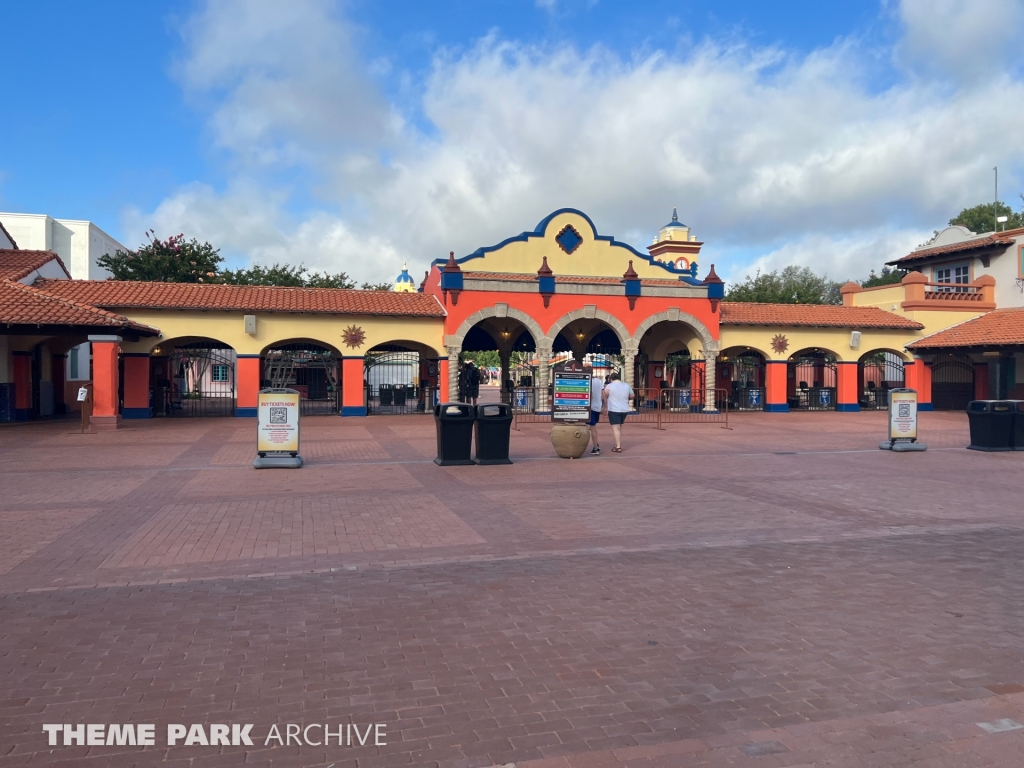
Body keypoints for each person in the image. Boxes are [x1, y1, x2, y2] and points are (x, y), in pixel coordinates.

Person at [603, 371, 634, 453]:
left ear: (611, 379)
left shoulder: (609, 386)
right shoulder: (626, 385)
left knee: (616, 429)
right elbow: (632, 396)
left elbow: (604, 395)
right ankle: (618, 443)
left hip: (614, 409)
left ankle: (618, 446)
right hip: (624, 409)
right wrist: (626, 398)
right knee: (619, 428)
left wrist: (606, 406)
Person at [588, 373, 606, 454]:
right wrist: (606, 405)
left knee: (592, 427)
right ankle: (596, 444)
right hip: (598, 406)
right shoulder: (599, 381)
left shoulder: (587, 381)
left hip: (590, 407)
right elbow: (603, 393)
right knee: (592, 426)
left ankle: (596, 447)